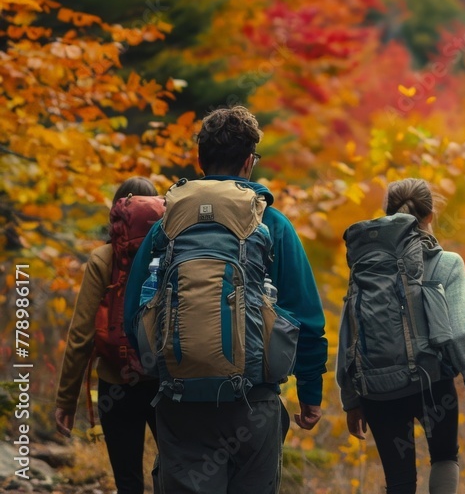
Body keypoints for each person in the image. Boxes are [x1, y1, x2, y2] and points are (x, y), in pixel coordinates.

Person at [123, 106, 327, 493]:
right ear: (250, 161)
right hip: (253, 403)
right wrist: (310, 392)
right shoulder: (271, 223)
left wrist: (167, 363)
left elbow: (133, 313)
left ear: (200, 160)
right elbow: (306, 319)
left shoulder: (166, 225)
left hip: (180, 402)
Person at [338, 178, 465, 494]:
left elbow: (347, 330)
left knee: (400, 480)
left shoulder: (365, 265)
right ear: (430, 215)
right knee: (445, 458)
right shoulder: (447, 262)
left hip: (377, 388)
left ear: (387, 213)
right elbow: (462, 332)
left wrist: (350, 397)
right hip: (432, 383)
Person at [55, 177, 163, 494]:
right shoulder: (172, 256)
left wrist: (66, 399)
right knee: (176, 475)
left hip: (117, 384)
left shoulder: (103, 259)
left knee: (128, 482)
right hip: (165, 383)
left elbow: (80, 335)